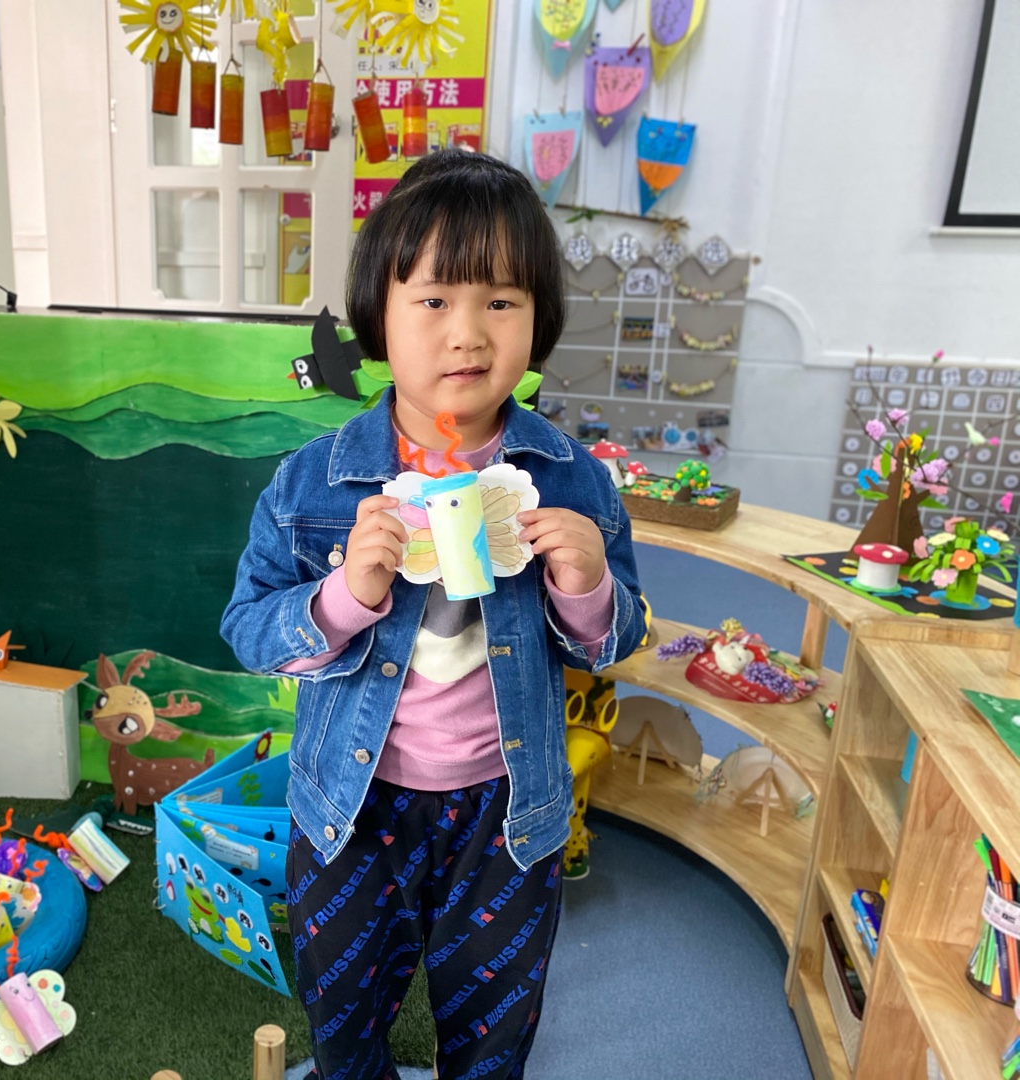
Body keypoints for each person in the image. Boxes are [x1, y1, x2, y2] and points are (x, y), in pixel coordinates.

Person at [221, 148, 646, 1079]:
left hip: (508, 812)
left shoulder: (571, 478)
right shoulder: (313, 482)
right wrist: (345, 594)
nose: (467, 335)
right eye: (434, 300)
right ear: (379, 314)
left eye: (501, 302)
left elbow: (614, 640)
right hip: (352, 808)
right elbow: (248, 627)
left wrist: (585, 584)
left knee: (493, 1033)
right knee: (344, 1025)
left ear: (539, 318)